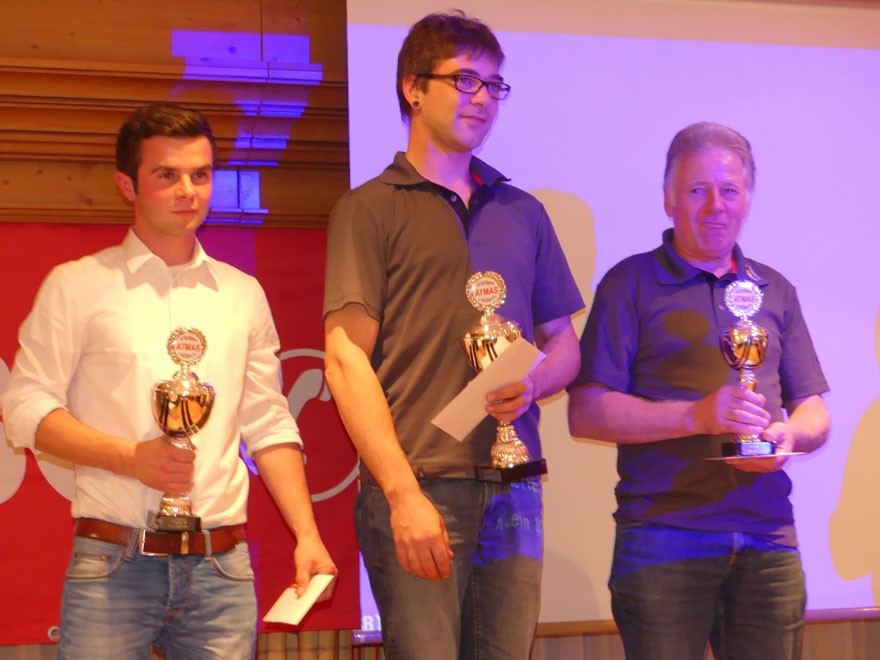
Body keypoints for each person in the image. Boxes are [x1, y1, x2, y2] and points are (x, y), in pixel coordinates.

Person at [0, 103, 336, 659]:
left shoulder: (242, 294)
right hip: (113, 561)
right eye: (167, 175)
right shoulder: (77, 285)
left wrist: (308, 535)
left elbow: (269, 422)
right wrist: (131, 458)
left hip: (221, 566)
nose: (188, 191)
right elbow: (25, 408)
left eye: (200, 174)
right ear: (127, 185)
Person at [323, 10, 583, 660]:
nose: (483, 99)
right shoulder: (369, 208)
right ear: (413, 88)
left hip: (515, 482)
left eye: (494, 85)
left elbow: (565, 346)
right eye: (465, 80)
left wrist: (532, 385)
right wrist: (401, 494)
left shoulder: (523, 210)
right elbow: (344, 361)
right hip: (421, 484)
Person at [568, 122, 831, 660]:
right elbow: (586, 412)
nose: (715, 206)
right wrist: (696, 417)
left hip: (769, 538)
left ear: (748, 199)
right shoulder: (628, 283)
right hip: (664, 538)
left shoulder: (774, 289)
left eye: (730, 190)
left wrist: (788, 436)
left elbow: (813, 409)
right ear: (668, 199)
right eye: (697, 190)